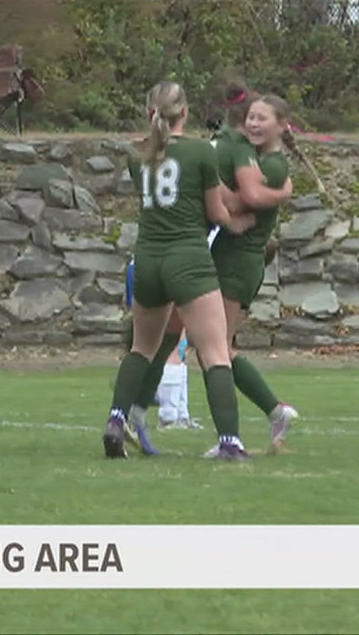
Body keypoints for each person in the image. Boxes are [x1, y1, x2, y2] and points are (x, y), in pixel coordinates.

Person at [119, 82, 300, 456]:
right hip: (208, 255)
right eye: (251, 116)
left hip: (236, 259)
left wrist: (279, 194)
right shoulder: (229, 147)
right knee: (170, 336)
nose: (254, 123)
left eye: (262, 118)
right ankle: (136, 410)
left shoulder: (260, 157)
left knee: (216, 350)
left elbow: (244, 197)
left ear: (283, 125)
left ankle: (269, 412)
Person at [102, 81, 256, 461]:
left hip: (149, 259)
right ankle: (230, 442)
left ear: (149, 113)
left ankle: (116, 420)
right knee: (216, 351)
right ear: (184, 112)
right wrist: (239, 224)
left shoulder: (138, 155)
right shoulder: (202, 151)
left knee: (141, 348)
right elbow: (216, 212)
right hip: (188, 257)